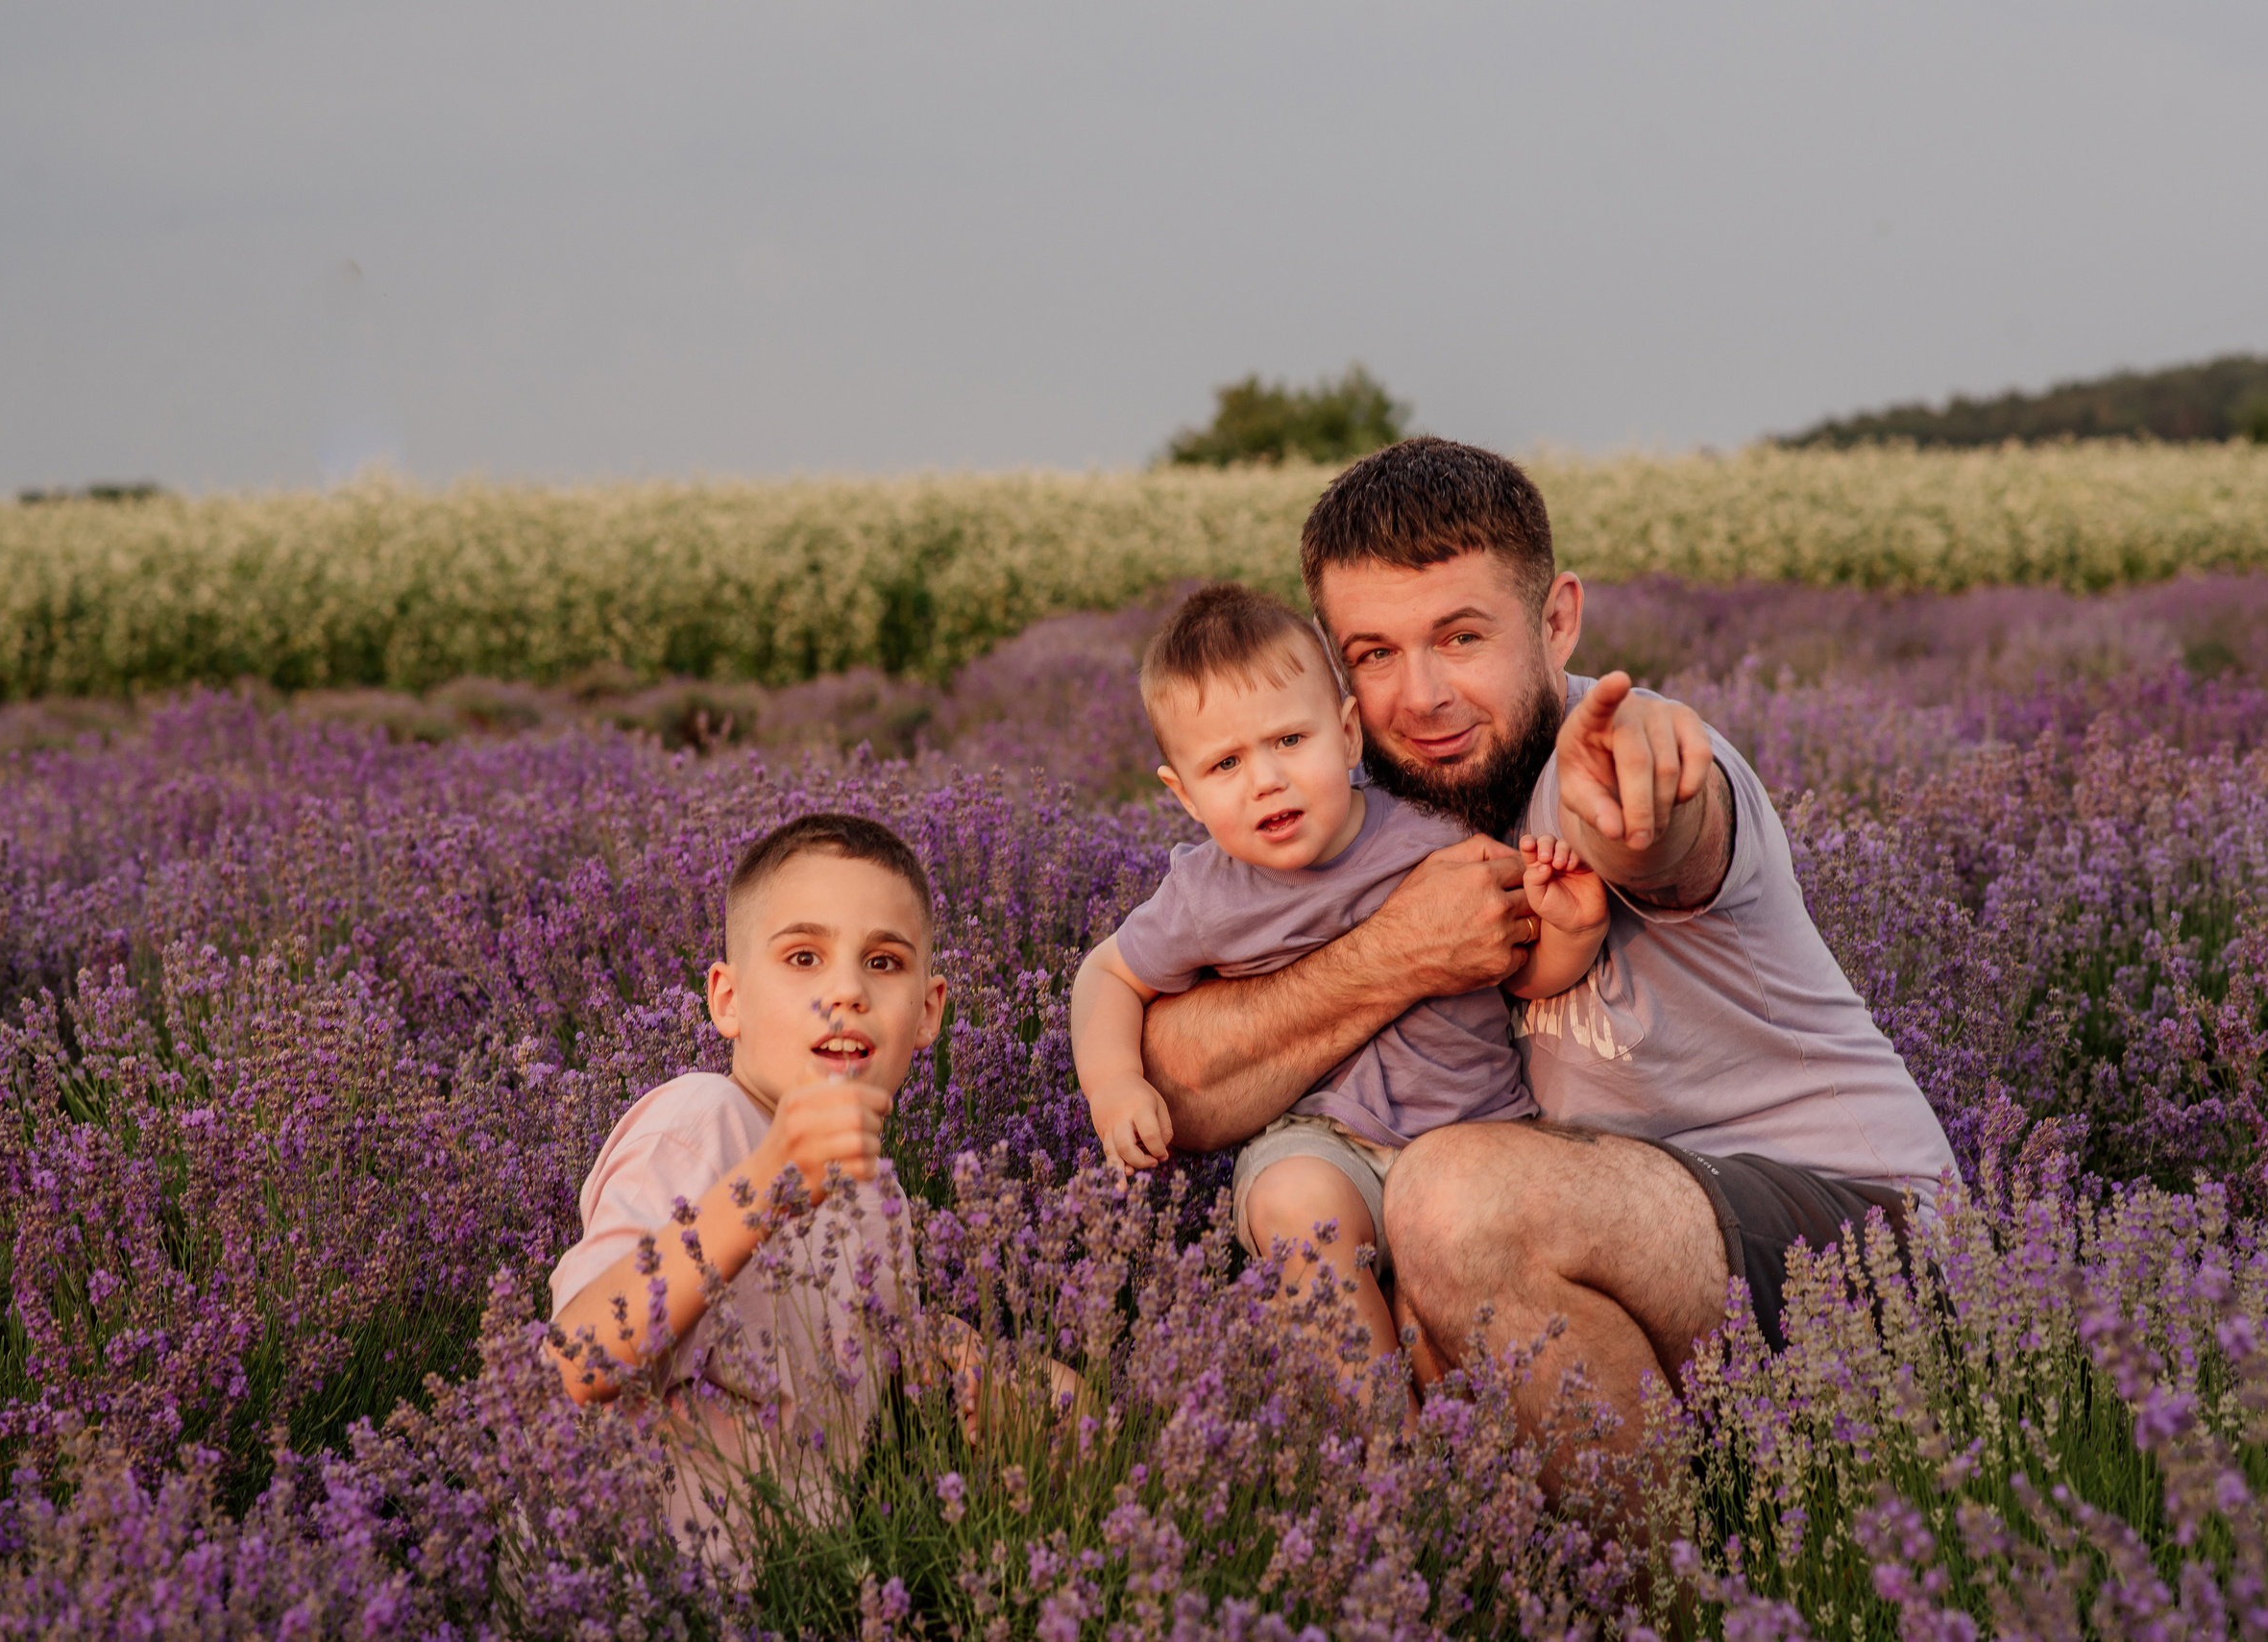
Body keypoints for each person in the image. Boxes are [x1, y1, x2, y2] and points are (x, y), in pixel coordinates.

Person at [1136, 438, 1961, 1471]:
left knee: (1446, 1197)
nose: (1421, 695)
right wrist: (1397, 955)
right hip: (1613, 1252)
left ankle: (1672, 1605)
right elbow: (1176, 1086)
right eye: (1373, 653)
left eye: (1462, 635)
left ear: (1557, 618)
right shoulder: (1342, 825)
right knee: (1397, 1286)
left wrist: (1644, 797)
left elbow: (1666, 832)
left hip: (1857, 1236)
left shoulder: (1612, 755)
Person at [1069, 582, 1608, 1402]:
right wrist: (1114, 1085)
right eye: (1225, 764)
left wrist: (1574, 929)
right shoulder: (1205, 894)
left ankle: (1461, 1450)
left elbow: (1520, 970)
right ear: (1181, 793)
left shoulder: (1431, 832)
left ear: (1348, 731)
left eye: (1290, 738)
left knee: (1465, 1311)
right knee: (1295, 1205)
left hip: (1472, 1134)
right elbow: (1107, 974)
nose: (1267, 780)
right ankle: (1375, 1448)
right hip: (1321, 1141)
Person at [546, 812, 944, 1553]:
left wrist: (968, 1361)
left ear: (927, 1012)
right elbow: (577, 1360)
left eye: (884, 962)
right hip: (634, 1596)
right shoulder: (704, 1121)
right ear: (727, 998)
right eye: (803, 957)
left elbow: (859, 1345)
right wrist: (766, 1180)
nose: (847, 991)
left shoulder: (876, 1199)